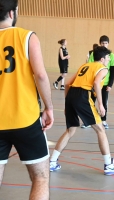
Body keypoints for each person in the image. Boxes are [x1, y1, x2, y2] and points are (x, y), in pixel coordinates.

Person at [0, 0, 54, 199]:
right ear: (12, 13)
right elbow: (40, 75)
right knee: (40, 178)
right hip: (26, 119)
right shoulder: (27, 36)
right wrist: (49, 107)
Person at [49, 46, 114, 175]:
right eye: (108, 58)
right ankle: (109, 165)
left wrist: (67, 104)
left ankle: (52, 162)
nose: (108, 60)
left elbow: (68, 84)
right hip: (83, 96)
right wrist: (101, 104)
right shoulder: (103, 68)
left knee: (70, 130)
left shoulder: (84, 66)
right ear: (102, 59)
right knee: (100, 129)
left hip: (72, 95)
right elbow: (96, 84)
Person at [86, 35, 114, 129]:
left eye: (106, 43)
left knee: (103, 102)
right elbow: (90, 67)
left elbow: (113, 71)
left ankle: (103, 120)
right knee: (91, 101)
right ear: (100, 43)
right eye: (102, 43)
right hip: (94, 83)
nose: (104, 45)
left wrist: (110, 84)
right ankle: (88, 120)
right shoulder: (94, 54)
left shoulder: (111, 55)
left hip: (105, 83)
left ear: (108, 44)